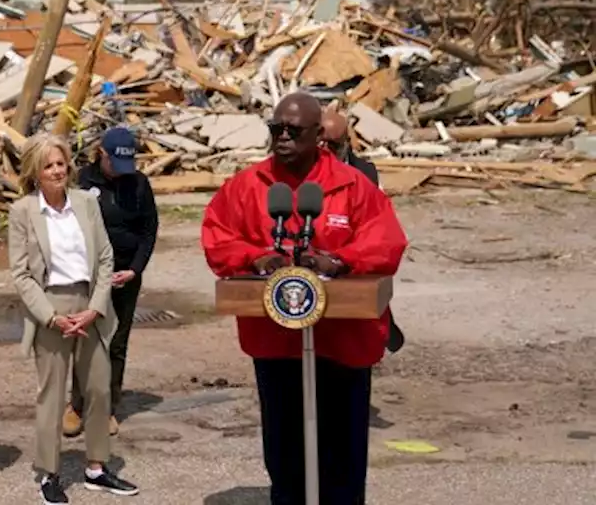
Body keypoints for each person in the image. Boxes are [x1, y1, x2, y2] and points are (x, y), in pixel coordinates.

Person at [201, 92, 408, 505]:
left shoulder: (353, 186)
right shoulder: (248, 186)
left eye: (293, 131)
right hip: (277, 344)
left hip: (341, 343)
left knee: (342, 454)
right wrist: (257, 257)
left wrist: (340, 261)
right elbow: (218, 236)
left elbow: (386, 241)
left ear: (319, 136)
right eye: (275, 129)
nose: (282, 137)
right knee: (284, 450)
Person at [8, 132, 140, 504]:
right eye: (48, 165)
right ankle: (48, 474)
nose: (57, 171)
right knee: (51, 395)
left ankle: (97, 468)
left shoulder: (86, 203)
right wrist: (51, 317)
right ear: (35, 171)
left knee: (98, 389)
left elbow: (104, 258)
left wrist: (96, 307)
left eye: (61, 164)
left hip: (90, 303)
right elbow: (20, 274)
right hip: (50, 307)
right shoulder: (22, 212)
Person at [66, 126, 159, 438]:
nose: (120, 174)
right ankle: (77, 405)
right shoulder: (81, 181)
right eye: (113, 165)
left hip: (124, 276)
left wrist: (134, 269)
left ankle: (106, 407)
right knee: (84, 340)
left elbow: (148, 230)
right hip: (88, 275)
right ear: (100, 154)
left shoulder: (139, 184)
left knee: (116, 343)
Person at [321, 110, 404, 355]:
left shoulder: (365, 174)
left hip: (350, 262)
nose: (325, 151)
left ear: (346, 144)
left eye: (332, 145)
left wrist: (345, 258)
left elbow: (380, 231)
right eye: (319, 142)